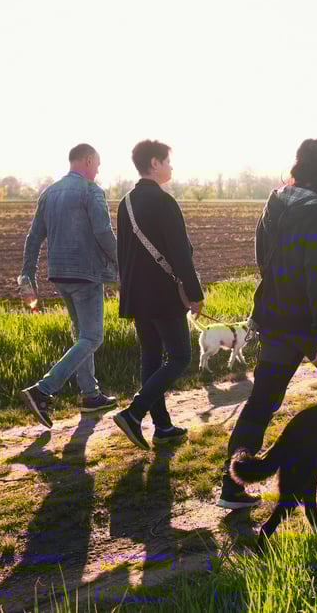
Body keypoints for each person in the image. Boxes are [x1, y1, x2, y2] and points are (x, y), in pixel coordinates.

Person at [217, 138, 317, 509]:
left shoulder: (271, 207)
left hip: (277, 321)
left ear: (296, 166)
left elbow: (263, 261)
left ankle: (231, 485)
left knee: (260, 404)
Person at [19, 144, 119, 428]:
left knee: (82, 336)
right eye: (97, 164)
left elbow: (34, 237)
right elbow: (103, 233)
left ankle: (90, 395)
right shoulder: (91, 191)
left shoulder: (49, 193)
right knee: (93, 337)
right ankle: (42, 390)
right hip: (86, 274)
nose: (98, 170)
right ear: (87, 161)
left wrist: (28, 275)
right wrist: (124, 262)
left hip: (59, 275)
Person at [111, 140, 203, 450]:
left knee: (151, 356)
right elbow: (180, 253)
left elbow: (123, 252)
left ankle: (162, 426)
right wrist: (194, 293)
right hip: (163, 294)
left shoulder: (126, 202)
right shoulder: (165, 202)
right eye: (167, 161)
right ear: (154, 163)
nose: (171, 167)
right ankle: (135, 413)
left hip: (137, 294)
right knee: (180, 357)